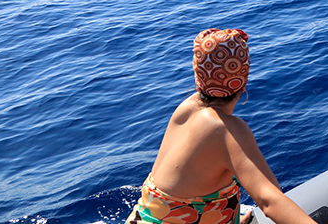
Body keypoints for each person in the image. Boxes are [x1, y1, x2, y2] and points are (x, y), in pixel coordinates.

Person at [125, 28, 316, 224]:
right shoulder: (226, 130)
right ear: (243, 80)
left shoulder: (186, 109)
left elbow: (183, 196)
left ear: (198, 74)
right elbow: (270, 201)